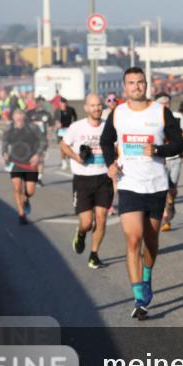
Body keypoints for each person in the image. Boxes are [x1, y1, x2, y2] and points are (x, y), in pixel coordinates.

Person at [100, 67, 183, 321]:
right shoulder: (118, 113)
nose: (136, 86)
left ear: (146, 85)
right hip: (129, 184)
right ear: (124, 87)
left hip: (156, 185)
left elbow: (178, 143)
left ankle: (147, 274)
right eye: (131, 83)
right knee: (133, 239)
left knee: (151, 241)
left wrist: (158, 150)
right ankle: (139, 297)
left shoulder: (161, 112)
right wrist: (110, 164)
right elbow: (106, 141)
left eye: (140, 82)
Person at [59, 94, 112, 269]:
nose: (96, 108)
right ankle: (81, 233)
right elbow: (63, 145)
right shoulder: (76, 127)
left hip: (104, 178)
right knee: (87, 222)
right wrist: (76, 157)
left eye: (99, 105)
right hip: (82, 179)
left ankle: (94, 255)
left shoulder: (109, 127)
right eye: (93, 105)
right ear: (86, 108)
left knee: (102, 219)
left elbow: (117, 147)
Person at [154, 92, 183, 232]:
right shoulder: (153, 118)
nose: (165, 105)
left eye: (167, 103)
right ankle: (166, 219)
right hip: (159, 158)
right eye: (162, 103)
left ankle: (171, 203)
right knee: (163, 188)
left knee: (172, 188)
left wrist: (176, 138)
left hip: (175, 157)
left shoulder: (177, 116)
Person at [2, 108, 46, 224]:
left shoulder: (33, 128)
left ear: (25, 118)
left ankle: (26, 199)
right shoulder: (9, 129)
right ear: (13, 119)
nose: (19, 122)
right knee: (17, 188)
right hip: (15, 161)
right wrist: (4, 153)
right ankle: (21, 214)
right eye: (17, 120)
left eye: (21, 119)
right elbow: (5, 142)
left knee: (30, 191)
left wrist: (37, 154)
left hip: (31, 162)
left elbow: (43, 141)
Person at [26, 98, 53, 186]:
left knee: (41, 159)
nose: (40, 104)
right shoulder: (30, 113)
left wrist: (48, 137)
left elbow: (50, 127)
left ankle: (39, 178)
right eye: (38, 102)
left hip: (42, 140)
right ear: (36, 103)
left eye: (42, 103)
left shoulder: (47, 114)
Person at [55, 98, 78, 172]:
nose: (63, 105)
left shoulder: (71, 109)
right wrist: (57, 123)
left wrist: (73, 124)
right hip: (61, 130)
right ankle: (63, 161)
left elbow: (75, 117)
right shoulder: (57, 111)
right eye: (62, 104)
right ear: (60, 104)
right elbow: (55, 120)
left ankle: (71, 159)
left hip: (69, 129)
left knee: (71, 145)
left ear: (66, 103)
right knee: (62, 146)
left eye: (64, 104)